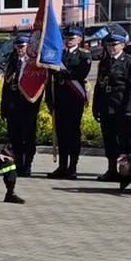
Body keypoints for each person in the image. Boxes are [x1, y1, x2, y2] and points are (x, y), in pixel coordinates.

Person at [93, 32, 131, 181]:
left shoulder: (130, 62)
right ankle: (111, 169)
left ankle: (125, 171)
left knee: (123, 140)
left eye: (114, 45)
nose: (111, 48)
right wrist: (96, 107)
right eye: (108, 45)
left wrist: (129, 109)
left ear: (122, 45)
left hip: (121, 106)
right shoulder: (105, 62)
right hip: (107, 106)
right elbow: (99, 86)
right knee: (109, 139)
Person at [48, 27, 92, 179]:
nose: (68, 40)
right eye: (66, 38)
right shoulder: (58, 55)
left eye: (72, 38)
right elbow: (50, 80)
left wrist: (61, 72)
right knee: (61, 134)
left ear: (79, 39)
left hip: (73, 99)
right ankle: (62, 166)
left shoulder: (83, 55)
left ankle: (72, 166)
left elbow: (80, 73)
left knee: (72, 134)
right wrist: (50, 100)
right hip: (59, 100)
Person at [0, 35, 43, 176]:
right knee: (15, 137)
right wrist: (4, 108)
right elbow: (5, 88)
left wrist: (35, 104)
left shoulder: (33, 64)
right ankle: (18, 163)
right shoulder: (12, 62)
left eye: (23, 47)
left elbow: (38, 86)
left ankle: (28, 163)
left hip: (28, 107)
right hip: (13, 107)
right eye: (18, 47)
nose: (20, 50)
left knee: (28, 137)